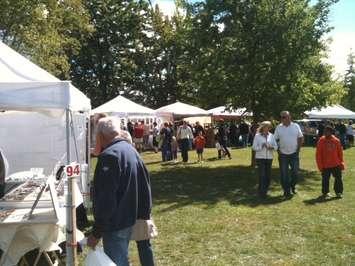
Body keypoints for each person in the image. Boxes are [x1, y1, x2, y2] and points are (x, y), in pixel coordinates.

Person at [87, 117, 154, 266]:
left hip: (116, 222)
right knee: (121, 260)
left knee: (117, 262)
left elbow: (106, 199)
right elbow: (145, 183)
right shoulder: (130, 149)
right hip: (129, 217)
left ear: (100, 135)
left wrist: (96, 232)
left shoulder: (110, 156)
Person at [274, 111, 304, 198]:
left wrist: (298, 149)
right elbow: (274, 140)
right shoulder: (278, 128)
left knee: (295, 172)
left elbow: (300, 137)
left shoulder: (295, 126)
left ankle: (292, 186)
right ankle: (286, 191)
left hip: (294, 153)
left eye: (284, 117)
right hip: (283, 154)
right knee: (284, 174)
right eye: (282, 117)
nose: (282, 119)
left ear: (289, 117)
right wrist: (278, 150)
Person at [316, 125, 345, 198]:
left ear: (331, 132)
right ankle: (325, 193)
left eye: (327, 131)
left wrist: (341, 163)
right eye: (324, 131)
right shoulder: (321, 141)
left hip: (336, 163)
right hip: (325, 165)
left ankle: (338, 192)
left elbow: (340, 153)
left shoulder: (336, 140)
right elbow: (318, 154)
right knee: (325, 179)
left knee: (338, 178)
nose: (325, 133)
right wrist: (320, 166)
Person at [252, 121, 278, 198]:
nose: (269, 128)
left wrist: (271, 147)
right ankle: (262, 192)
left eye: (270, 127)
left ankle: (264, 190)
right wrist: (261, 146)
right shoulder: (257, 136)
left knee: (268, 176)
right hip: (260, 158)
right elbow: (254, 147)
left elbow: (276, 147)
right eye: (267, 127)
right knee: (262, 175)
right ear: (263, 127)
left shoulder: (271, 136)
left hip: (269, 158)